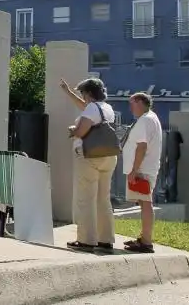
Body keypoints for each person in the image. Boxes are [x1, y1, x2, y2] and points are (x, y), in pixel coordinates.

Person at [59, 77, 118, 253]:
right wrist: (69, 92)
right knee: (103, 198)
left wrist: (73, 131)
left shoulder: (92, 108)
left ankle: (86, 240)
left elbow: (82, 131)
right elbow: (87, 109)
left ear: (89, 93)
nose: (82, 96)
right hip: (108, 156)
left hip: (89, 157)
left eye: (83, 93)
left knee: (86, 198)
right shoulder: (106, 108)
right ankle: (105, 239)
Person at [122, 92, 163, 253]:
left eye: (132, 103)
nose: (130, 108)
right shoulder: (150, 118)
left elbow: (142, 146)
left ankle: (146, 242)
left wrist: (134, 170)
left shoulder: (145, 120)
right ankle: (143, 238)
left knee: (146, 203)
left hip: (142, 170)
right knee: (143, 202)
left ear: (140, 102)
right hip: (145, 168)